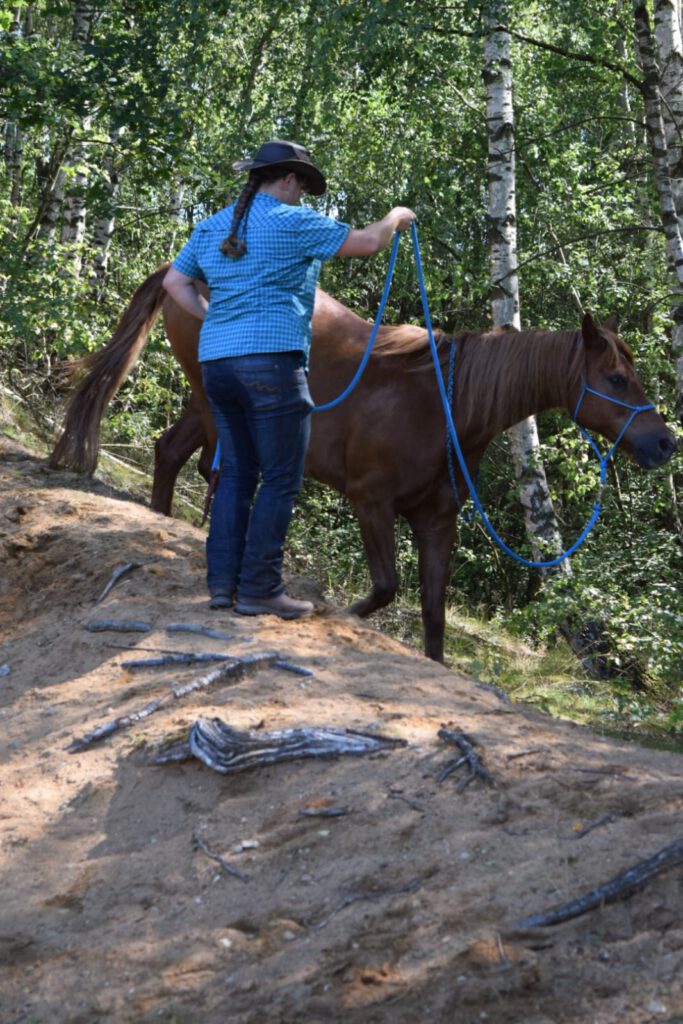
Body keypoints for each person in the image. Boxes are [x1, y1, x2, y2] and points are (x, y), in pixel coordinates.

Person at [163, 139, 416, 620]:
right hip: (272, 367)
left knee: (236, 473)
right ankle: (260, 588)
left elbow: (173, 284)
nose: (301, 196)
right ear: (288, 180)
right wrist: (396, 217)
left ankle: (222, 586)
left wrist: (210, 316)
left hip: (218, 364)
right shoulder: (292, 221)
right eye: (301, 186)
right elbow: (367, 243)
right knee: (280, 477)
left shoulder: (213, 225)